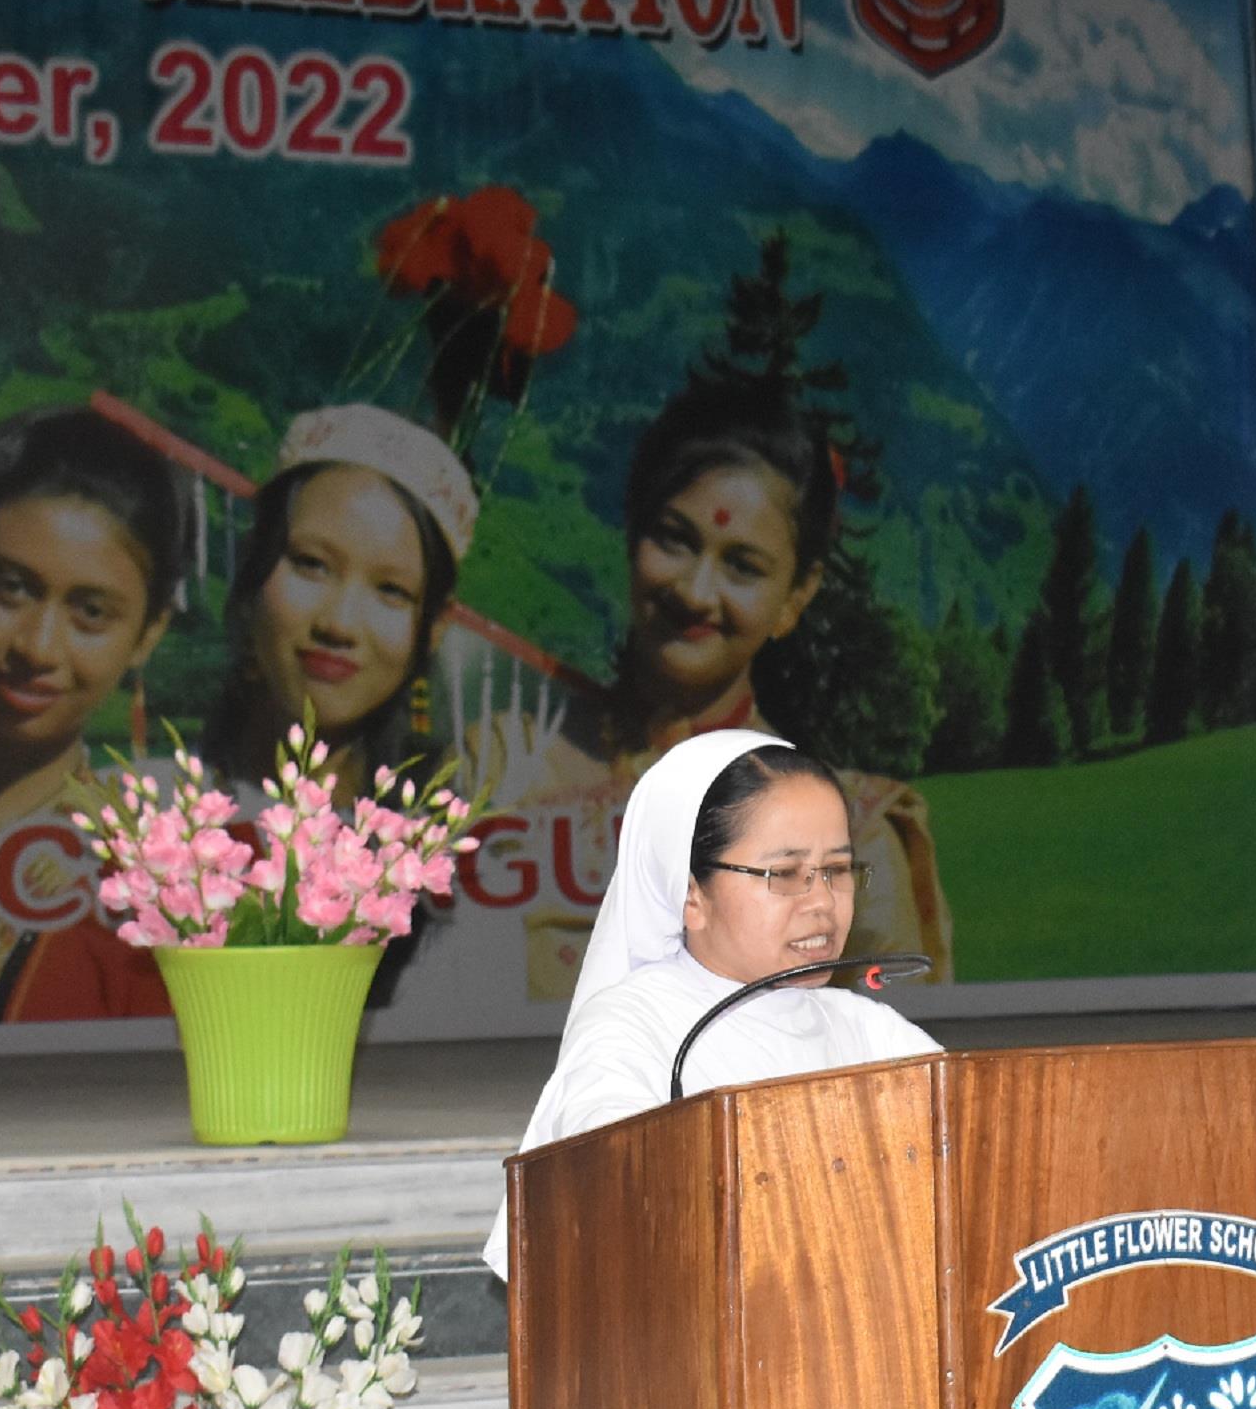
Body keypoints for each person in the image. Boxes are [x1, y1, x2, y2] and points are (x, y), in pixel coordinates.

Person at [525, 379, 951, 976]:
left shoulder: (854, 841)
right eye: (674, 539)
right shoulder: (503, 767)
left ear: (795, 597)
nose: (697, 592)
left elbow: (895, 1064)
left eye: (743, 566)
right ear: (631, 531)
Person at [488, 731, 941, 1272]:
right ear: (690, 896)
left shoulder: (869, 1029)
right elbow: (615, 1190)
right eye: (785, 874)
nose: (822, 901)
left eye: (837, 870)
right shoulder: (632, 1025)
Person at [0, 407, 191, 1023]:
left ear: (148, 633)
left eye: (90, 611)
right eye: (10, 588)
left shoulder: (146, 884)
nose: (36, 647)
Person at [205, 405, 474, 800]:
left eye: (391, 591)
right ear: (254, 561)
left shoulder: (441, 847)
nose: (339, 624)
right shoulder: (146, 809)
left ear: (433, 627)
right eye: (312, 564)